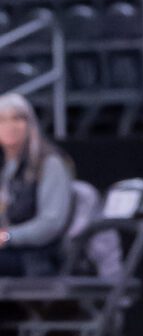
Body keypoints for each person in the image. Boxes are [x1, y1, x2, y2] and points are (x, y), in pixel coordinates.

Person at [0, 93, 74, 277]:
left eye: (17, 118)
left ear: (30, 123)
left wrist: (8, 236)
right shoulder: (7, 166)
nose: (10, 126)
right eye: (2, 120)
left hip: (37, 257)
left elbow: (51, 223)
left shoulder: (50, 163)